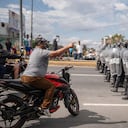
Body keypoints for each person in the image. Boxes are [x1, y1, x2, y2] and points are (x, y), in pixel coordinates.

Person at [21, 35, 75, 117]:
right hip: (33, 78)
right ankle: (44, 107)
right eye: (44, 43)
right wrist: (68, 46)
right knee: (51, 86)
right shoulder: (41, 52)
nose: (45, 44)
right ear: (40, 43)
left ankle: (29, 105)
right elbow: (56, 53)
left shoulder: (34, 51)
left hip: (25, 76)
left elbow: (38, 64)